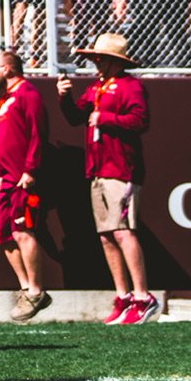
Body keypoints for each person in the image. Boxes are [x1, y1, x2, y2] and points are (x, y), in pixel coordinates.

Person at [58, 33, 157, 324]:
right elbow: (76, 117)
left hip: (121, 168)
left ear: (114, 61)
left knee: (124, 231)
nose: (94, 63)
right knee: (106, 235)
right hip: (98, 169)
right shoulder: (98, 87)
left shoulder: (131, 86)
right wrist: (65, 98)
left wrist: (107, 119)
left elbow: (141, 121)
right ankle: (123, 295)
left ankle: (142, 296)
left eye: (99, 59)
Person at [0, 48, 50, 322]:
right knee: (5, 236)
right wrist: (1, 172)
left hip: (23, 179)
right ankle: (26, 287)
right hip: (7, 179)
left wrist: (30, 170)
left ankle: (36, 289)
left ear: (8, 69)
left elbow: (38, 134)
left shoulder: (28, 95)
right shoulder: (6, 99)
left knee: (23, 231)